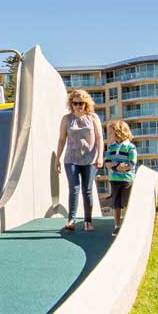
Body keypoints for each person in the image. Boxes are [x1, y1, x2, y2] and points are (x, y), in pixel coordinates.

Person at [56, 89, 103, 232]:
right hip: (71, 158)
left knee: (87, 190)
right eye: (75, 103)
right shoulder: (66, 119)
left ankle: (88, 221)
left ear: (86, 103)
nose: (78, 106)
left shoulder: (93, 117)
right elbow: (62, 139)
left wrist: (100, 156)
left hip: (90, 159)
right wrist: (57, 158)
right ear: (71, 104)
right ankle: (71, 220)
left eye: (81, 103)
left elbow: (99, 138)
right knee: (74, 188)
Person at [103, 120, 138, 236]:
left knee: (126, 203)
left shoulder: (130, 147)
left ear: (119, 132)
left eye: (111, 132)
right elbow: (108, 162)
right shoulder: (111, 147)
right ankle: (117, 226)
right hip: (114, 180)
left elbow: (131, 163)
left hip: (127, 180)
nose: (109, 135)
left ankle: (127, 226)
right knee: (116, 203)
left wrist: (120, 166)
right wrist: (118, 166)